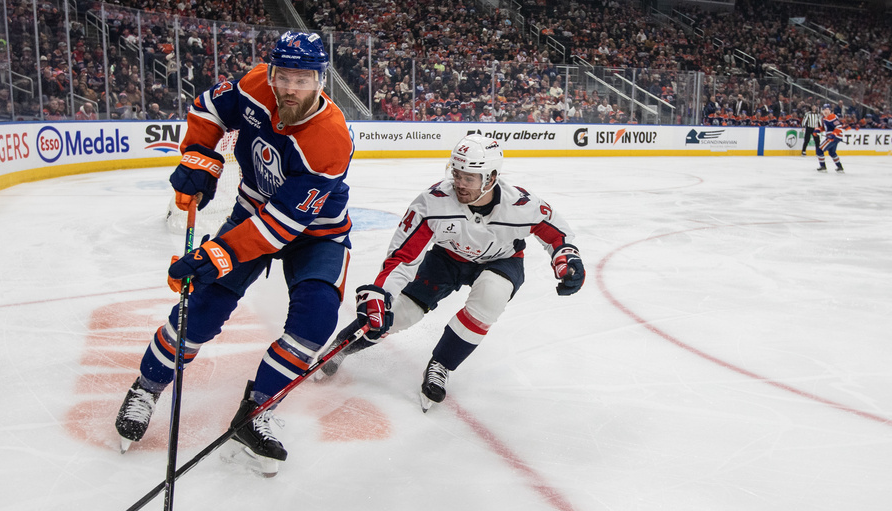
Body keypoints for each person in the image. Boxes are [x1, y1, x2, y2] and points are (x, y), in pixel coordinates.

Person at [114, 31, 354, 476]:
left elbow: (282, 226)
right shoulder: (256, 83)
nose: (289, 88)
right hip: (252, 209)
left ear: (321, 81)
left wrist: (216, 254)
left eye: (303, 80)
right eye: (283, 76)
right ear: (273, 71)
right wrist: (200, 157)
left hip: (315, 233)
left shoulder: (331, 140)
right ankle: (147, 387)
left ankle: (256, 411)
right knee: (202, 308)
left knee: (316, 320)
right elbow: (208, 108)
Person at [315, 134, 584, 411]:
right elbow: (403, 256)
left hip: (501, 260)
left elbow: (557, 234)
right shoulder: (432, 203)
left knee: (491, 297)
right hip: (447, 259)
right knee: (399, 312)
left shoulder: (521, 205)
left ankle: (440, 364)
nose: (459, 184)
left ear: (490, 178)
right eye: (456, 174)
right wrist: (382, 293)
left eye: (469, 178)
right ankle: (339, 348)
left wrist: (566, 259)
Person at [815, 104, 845, 173]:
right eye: (824, 109)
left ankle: (823, 166)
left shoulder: (832, 117)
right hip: (834, 137)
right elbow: (825, 128)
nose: (826, 111)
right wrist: (817, 130)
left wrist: (833, 135)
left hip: (833, 137)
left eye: (827, 109)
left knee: (820, 150)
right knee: (832, 152)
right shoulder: (825, 118)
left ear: (830, 110)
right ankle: (839, 167)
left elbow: (839, 127)